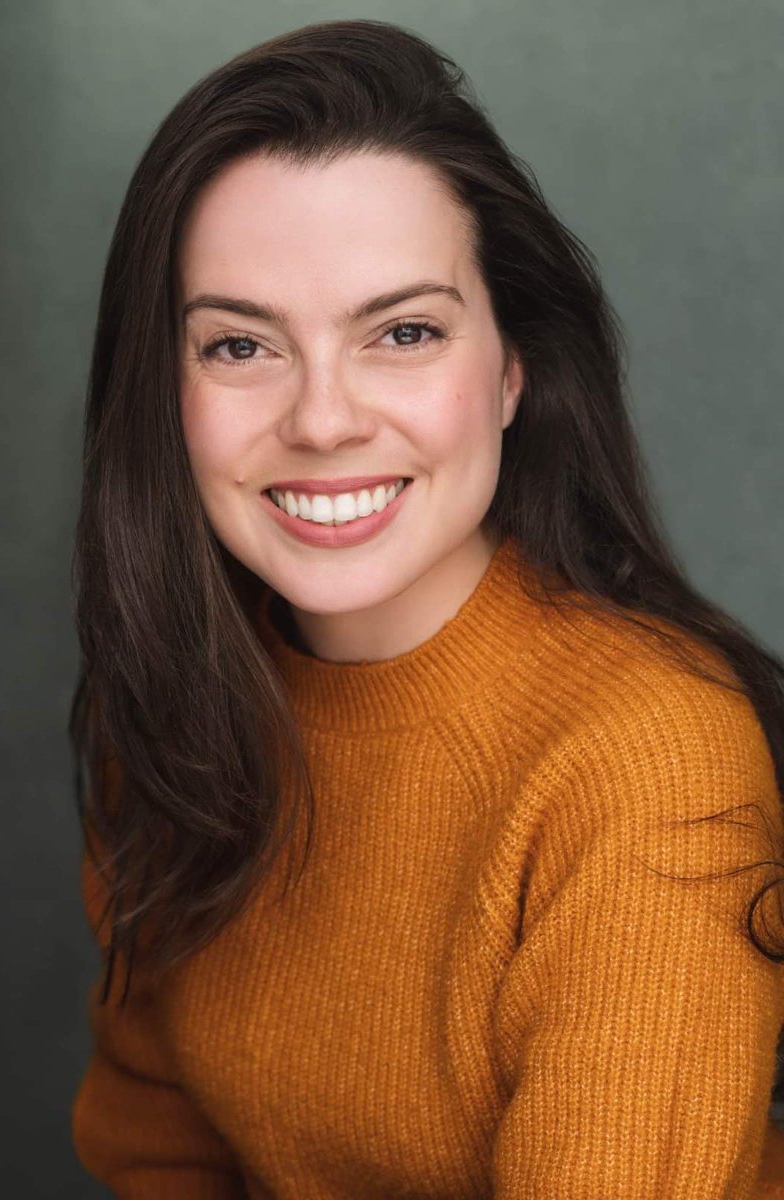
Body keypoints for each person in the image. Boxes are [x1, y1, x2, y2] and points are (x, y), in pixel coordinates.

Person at [68, 17, 784, 1199]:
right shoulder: (175, 696)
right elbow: (157, 1152)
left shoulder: (650, 759)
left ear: (511, 372)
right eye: (239, 346)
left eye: (403, 332)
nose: (323, 420)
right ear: (161, 391)